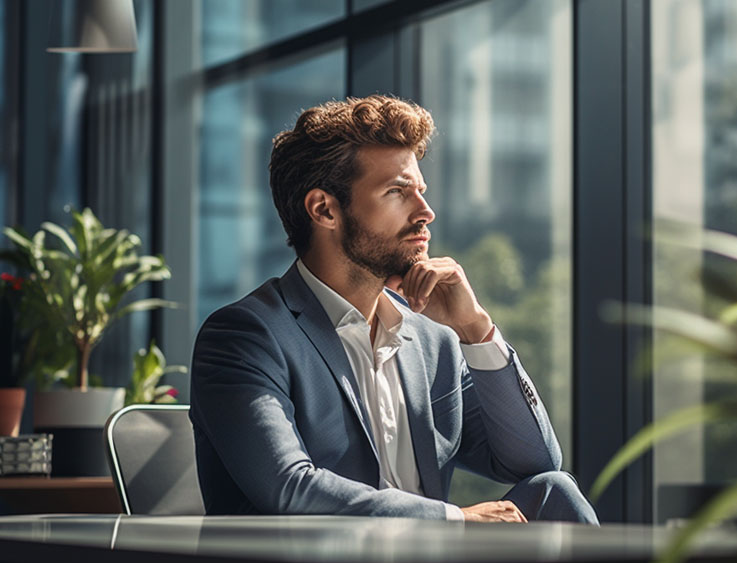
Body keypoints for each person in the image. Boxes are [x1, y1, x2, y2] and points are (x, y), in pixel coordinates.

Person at [189, 95, 597, 524]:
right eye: (397, 193)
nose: (426, 212)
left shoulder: (433, 339)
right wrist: (454, 520)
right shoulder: (246, 335)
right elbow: (289, 487)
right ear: (324, 209)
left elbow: (535, 460)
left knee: (554, 491)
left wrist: (476, 330)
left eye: (420, 191)